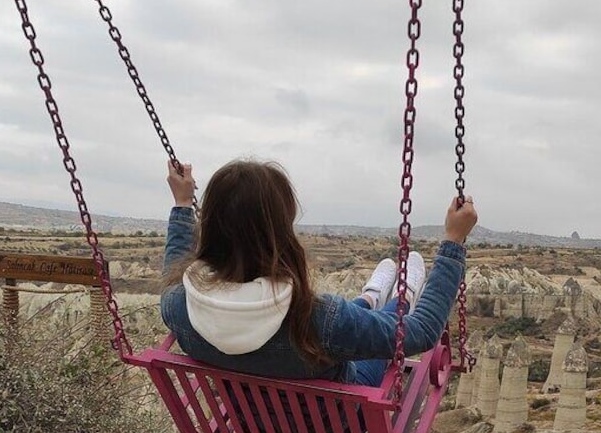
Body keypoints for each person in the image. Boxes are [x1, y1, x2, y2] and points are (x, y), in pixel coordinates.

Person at [160, 159, 478, 388]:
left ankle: (369, 297)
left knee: (351, 321)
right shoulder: (315, 319)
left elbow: (173, 271)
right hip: (333, 432)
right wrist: (453, 241)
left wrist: (183, 204)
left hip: (251, 429)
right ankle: (402, 296)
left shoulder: (178, 306)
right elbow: (419, 332)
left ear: (211, 227)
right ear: (280, 233)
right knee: (380, 331)